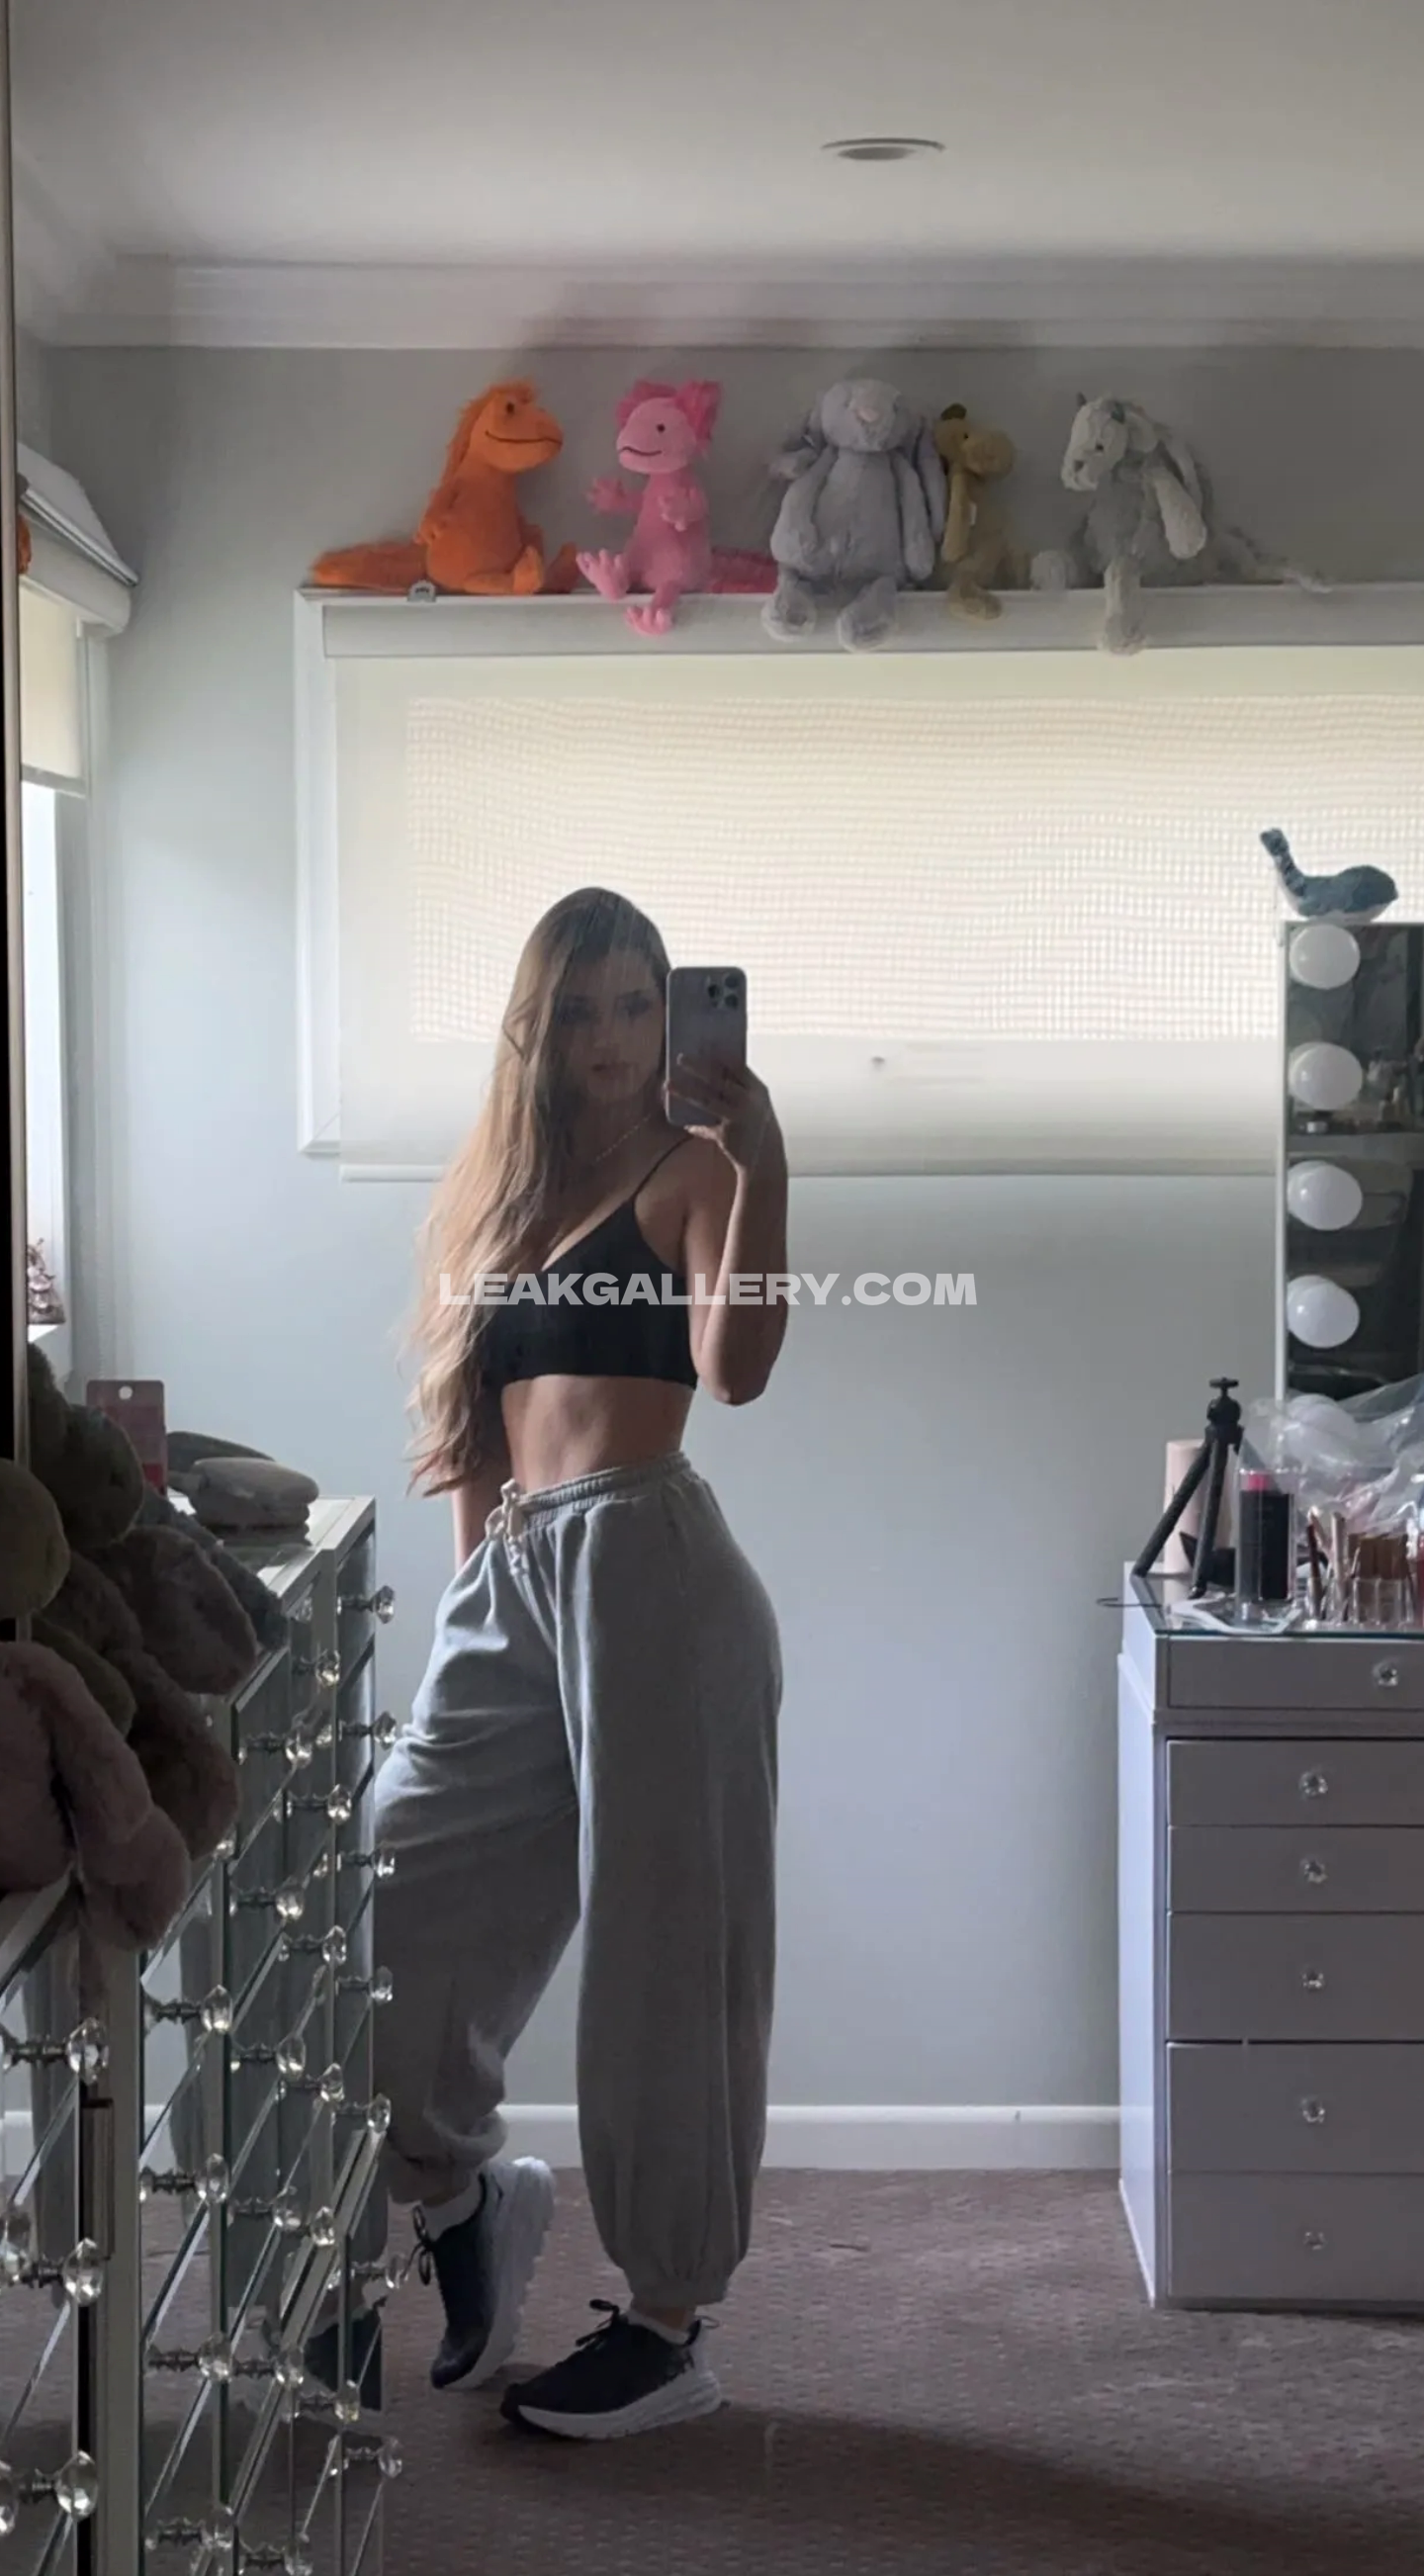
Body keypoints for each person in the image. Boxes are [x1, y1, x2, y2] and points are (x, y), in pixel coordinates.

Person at [373, 886, 788, 2442]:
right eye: (583, 1010)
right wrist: (472, 1595)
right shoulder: (504, 1191)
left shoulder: (695, 1173)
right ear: (535, 1026)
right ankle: (461, 2194)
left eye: (638, 1005)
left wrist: (765, 1161)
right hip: (512, 1575)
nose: (613, 1040)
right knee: (396, 1893)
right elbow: (476, 1431)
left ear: (671, 1015)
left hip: (649, 1570)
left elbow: (737, 1370)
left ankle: (670, 2322)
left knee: (664, 1955)